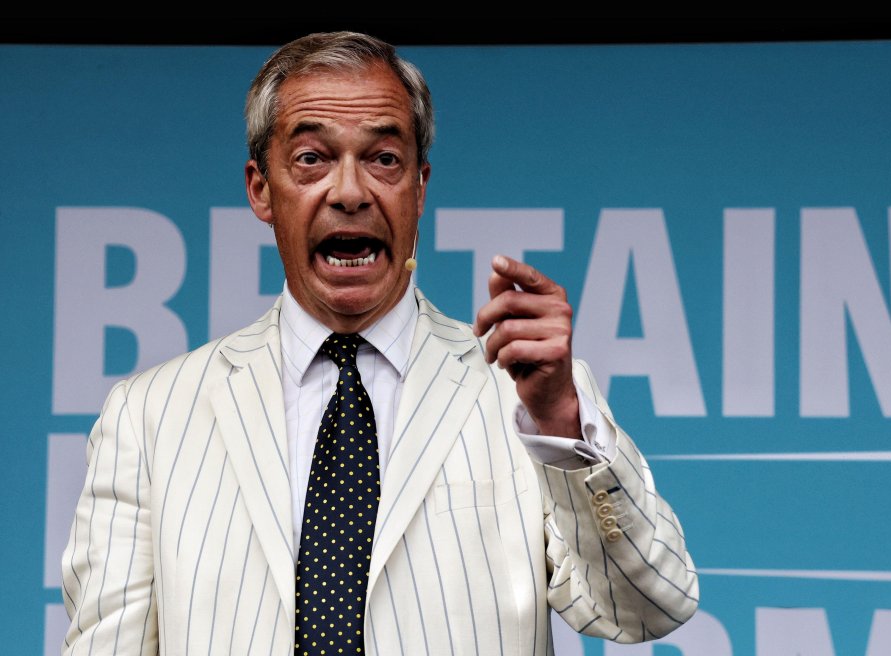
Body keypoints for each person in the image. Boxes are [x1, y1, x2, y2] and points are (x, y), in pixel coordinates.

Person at [60, 31, 699, 656]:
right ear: (261, 189)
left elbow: (645, 608)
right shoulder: (150, 415)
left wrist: (560, 420)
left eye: (383, 159)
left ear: (419, 189)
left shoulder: (526, 394)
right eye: (311, 157)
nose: (349, 191)